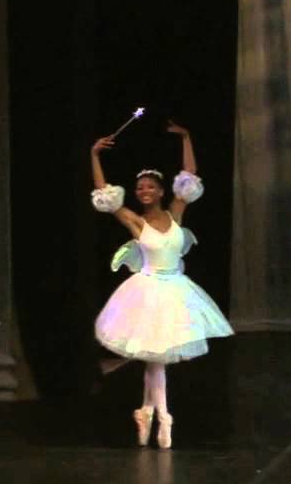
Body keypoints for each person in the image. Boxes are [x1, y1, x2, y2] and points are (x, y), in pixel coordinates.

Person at [90, 120, 234, 449]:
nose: (144, 191)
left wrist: (186, 137)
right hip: (147, 291)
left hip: (175, 291)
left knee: (156, 359)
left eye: (149, 187)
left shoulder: (175, 214)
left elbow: (190, 174)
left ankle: (146, 412)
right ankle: (164, 417)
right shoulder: (135, 221)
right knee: (156, 358)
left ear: (160, 190)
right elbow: (105, 195)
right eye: (139, 188)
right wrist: (94, 155)